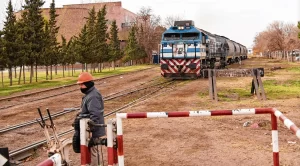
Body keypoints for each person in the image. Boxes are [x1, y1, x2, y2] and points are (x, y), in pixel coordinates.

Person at [77, 72, 105, 166]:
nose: (80, 86)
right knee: (89, 150)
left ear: (88, 83)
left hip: (92, 129)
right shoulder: (89, 94)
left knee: (93, 151)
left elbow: (95, 114)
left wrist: (91, 130)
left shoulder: (93, 96)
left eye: (82, 84)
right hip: (88, 128)